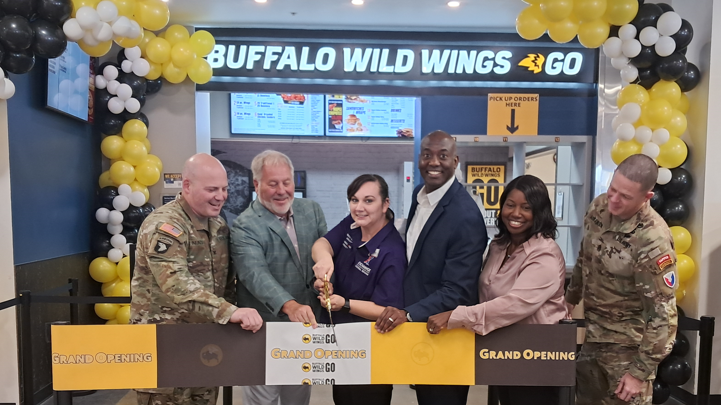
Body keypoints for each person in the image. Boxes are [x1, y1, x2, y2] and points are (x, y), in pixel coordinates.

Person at [130, 153, 263, 405]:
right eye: (212, 189)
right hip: (165, 349)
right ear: (187, 186)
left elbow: (225, 284)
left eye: (224, 189)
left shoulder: (218, 225)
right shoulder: (165, 225)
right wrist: (229, 312)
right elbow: (175, 283)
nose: (221, 196)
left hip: (205, 347)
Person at [427, 174, 568, 405]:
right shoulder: (498, 246)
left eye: (526, 208)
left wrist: (456, 316)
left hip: (537, 359)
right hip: (503, 352)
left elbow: (514, 304)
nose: (515, 213)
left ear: (539, 212)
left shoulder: (545, 254)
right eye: (510, 205)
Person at [375, 130, 488, 405]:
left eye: (442, 156)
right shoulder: (420, 195)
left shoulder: (466, 216)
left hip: (446, 336)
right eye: (427, 155)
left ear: (456, 161)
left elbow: (459, 290)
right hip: (419, 334)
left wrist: (408, 313)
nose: (434, 162)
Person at [565, 154, 678, 405]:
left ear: (647, 197)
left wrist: (639, 374)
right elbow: (585, 257)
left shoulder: (653, 239)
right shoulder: (599, 207)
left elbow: (663, 316)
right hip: (593, 340)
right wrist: (570, 299)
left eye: (625, 197)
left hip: (629, 350)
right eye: (612, 189)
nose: (614, 200)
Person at [231, 150, 327, 405]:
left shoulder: (312, 210)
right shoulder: (245, 225)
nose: (282, 190)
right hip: (263, 330)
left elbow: (326, 247)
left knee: (298, 397)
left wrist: (326, 274)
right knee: (263, 399)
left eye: (287, 182)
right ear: (257, 184)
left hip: (305, 328)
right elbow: (254, 273)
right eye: (273, 184)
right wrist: (290, 305)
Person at [312, 174, 406, 405]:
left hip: (371, 346)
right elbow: (322, 243)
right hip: (340, 340)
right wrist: (325, 263)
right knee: (342, 398)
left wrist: (343, 303)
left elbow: (386, 309)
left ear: (385, 204)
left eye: (368, 200)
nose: (359, 207)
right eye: (354, 200)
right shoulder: (352, 226)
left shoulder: (392, 250)